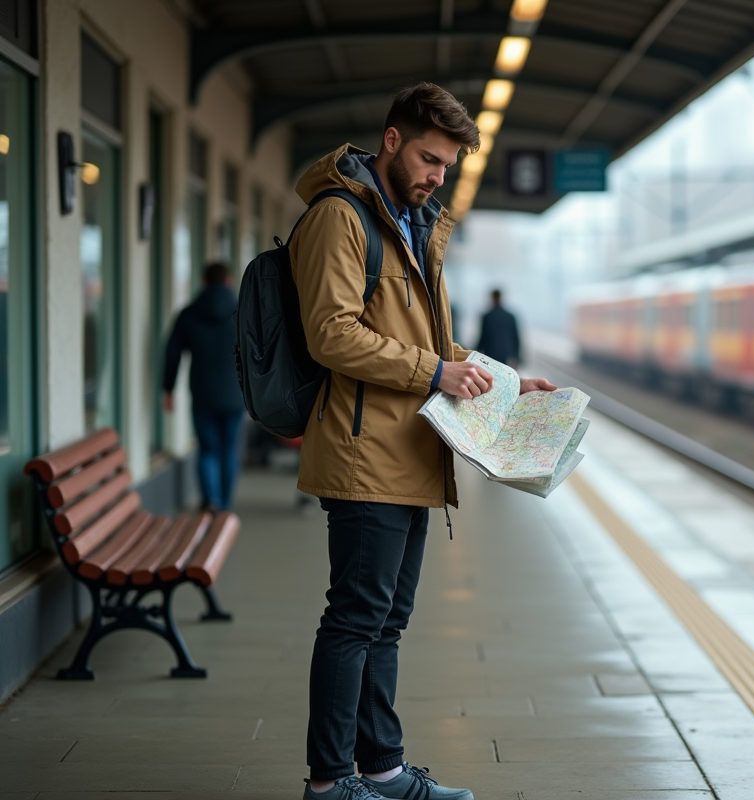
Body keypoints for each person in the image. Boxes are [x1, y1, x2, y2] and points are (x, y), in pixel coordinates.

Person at [289, 83, 556, 800]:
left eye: (450, 166)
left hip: (408, 451)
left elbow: (434, 343)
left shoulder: (410, 223)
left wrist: (503, 382)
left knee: (387, 623)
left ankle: (382, 770)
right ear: (394, 140)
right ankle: (329, 781)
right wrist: (435, 371)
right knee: (353, 620)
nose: (440, 176)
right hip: (363, 453)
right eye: (432, 159)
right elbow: (332, 334)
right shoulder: (340, 218)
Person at [162, 261, 244, 512]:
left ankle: (211, 500)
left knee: (207, 448)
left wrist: (168, 388)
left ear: (205, 282)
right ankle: (225, 503)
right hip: (235, 394)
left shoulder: (188, 314)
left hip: (202, 393)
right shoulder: (242, 312)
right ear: (228, 281)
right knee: (228, 450)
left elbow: (172, 353)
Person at [474, 289, 521, 368]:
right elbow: (515, 338)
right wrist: (517, 357)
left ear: (492, 298)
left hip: (490, 354)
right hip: (505, 354)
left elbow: (483, 338)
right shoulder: (510, 316)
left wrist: (475, 353)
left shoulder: (487, 317)